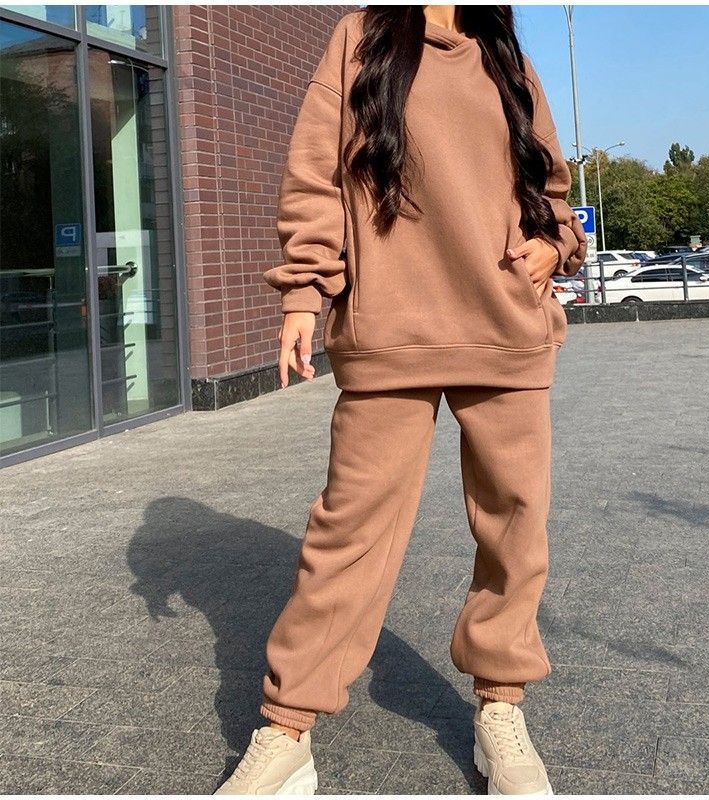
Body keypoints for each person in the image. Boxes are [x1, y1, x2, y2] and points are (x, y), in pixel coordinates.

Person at [216, 5, 586, 796]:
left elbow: (551, 185)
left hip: (506, 325)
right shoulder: (361, 36)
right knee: (347, 530)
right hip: (389, 329)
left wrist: (552, 246)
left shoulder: (505, 57)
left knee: (516, 527)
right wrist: (304, 292)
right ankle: (287, 727)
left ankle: (500, 706)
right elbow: (316, 171)